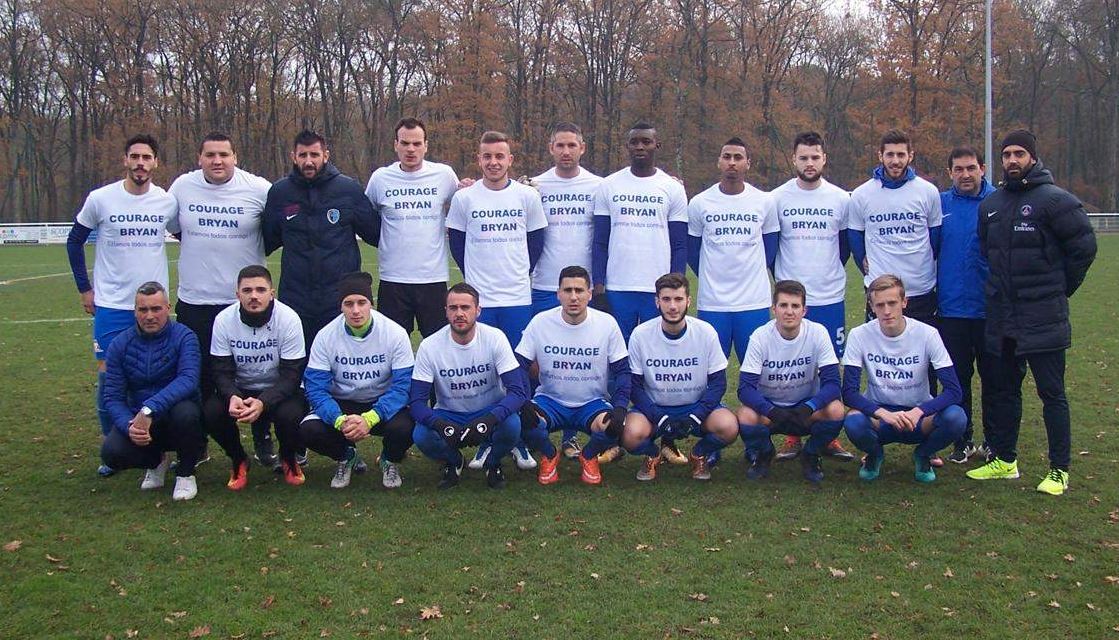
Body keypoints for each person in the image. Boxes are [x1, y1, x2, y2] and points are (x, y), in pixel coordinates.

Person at [967, 129, 1097, 495]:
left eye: (1019, 154)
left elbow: (1083, 250)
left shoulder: (1057, 201)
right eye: (1007, 154)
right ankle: (1005, 460)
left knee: (1051, 393)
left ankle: (1059, 470)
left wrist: (1059, 289)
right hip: (1003, 316)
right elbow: (986, 251)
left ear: (1033, 158)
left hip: (1042, 317)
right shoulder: (991, 205)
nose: (1011, 160)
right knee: (1003, 389)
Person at [67, 134, 178, 476]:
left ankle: (158, 446)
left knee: (159, 379)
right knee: (109, 381)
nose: (140, 163)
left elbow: (186, 236)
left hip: (155, 305)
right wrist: (86, 289)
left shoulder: (166, 202)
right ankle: (112, 446)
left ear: (155, 163)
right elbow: (74, 241)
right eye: (135, 157)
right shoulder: (101, 199)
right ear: (125, 160)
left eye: (147, 157)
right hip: (113, 306)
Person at [168, 132, 277, 466]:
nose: (217, 161)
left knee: (259, 373)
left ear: (235, 156)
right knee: (200, 377)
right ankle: (198, 444)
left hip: (245, 303)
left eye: (224, 154)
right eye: (210, 155)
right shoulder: (182, 187)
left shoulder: (259, 189)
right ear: (199, 158)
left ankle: (262, 436)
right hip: (196, 302)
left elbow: (273, 232)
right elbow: (175, 228)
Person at [446, 130, 546, 471]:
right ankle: (487, 440)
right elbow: (457, 244)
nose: (493, 162)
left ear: (510, 160)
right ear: (479, 159)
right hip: (481, 301)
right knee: (485, 371)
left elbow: (536, 242)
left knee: (517, 371)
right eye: (487, 156)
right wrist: (476, 278)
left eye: (499, 156)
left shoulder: (527, 197)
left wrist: (518, 273)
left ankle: (517, 441)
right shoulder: (465, 199)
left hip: (517, 297)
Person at [769, 131, 855, 462]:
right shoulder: (777, 198)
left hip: (830, 296)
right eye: (803, 157)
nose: (809, 163)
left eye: (815, 157)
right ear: (794, 159)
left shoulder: (840, 199)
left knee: (829, 367)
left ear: (824, 159)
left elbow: (846, 245)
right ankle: (792, 434)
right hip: (792, 301)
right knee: (794, 369)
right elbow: (772, 245)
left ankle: (828, 436)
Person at [841, 275, 966, 483]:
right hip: (880, 417)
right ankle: (875, 455)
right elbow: (849, 393)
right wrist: (883, 414)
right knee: (853, 421)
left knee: (956, 417)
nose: (887, 311)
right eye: (880, 305)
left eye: (892, 303)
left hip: (918, 416)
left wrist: (919, 411)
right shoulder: (859, 335)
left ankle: (923, 454)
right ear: (871, 306)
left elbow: (954, 391)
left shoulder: (928, 334)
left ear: (904, 302)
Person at [262, 130, 380, 350]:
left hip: (338, 298)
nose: (308, 161)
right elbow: (268, 239)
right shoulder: (280, 193)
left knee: (341, 360)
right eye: (303, 155)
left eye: (314, 155)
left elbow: (375, 233)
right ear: (293, 157)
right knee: (298, 361)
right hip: (296, 297)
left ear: (325, 155)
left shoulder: (348, 189)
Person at [298, 272, 415, 489]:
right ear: (340, 306)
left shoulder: (394, 333)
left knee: (410, 425)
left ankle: (389, 459)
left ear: (371, 304)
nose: (355, 310)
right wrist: (339, 420)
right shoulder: (325, 336)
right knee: (308, 430)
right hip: (343, 403)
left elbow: (403, 386)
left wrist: (370, 418)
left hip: (381, 402)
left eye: (362, 303)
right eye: (348, 303)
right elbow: (315, 388)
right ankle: (346, 455)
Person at [530, 122, 605, 460]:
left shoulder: (599, 185)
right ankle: (535, 425)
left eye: (571, 145)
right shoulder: (534, 186)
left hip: (584, 287)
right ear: (550, 148)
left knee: (581, 360)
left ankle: (573, 436)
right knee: (541, 361)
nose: (565, 152)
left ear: (582, 147)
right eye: (559, 145)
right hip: (544, 284)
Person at [516, 266, 630, 485]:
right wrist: (523, 401)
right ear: (558, 293)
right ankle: (550, 455)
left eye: (579, 290)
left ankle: (588, 456)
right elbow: (518, 366)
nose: (573, 297)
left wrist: (621, 406)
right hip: (550, 401)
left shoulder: (607, 323)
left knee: (617, 426)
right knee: (520, 420)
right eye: (567, 290)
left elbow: (623, 370)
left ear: (589, 293)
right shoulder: (540, 322)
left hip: (592, 403)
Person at [620, 273, 739, 481]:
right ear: (657, 302)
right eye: (666, 299)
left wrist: (697, 414)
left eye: (678, 299)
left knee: (728, 426)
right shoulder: (641, 334)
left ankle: (699, 453)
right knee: (630, 435)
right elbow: (635, 387)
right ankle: (652, 454)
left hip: (695, 406)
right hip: (655, 409)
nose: (673, 306)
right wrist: (658, 416)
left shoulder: (705, 332)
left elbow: (719, 382)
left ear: (688, 301)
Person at [409, 283, 528, 490]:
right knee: (421, 435)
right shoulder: (429, 346)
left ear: (478, 310)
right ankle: (454, 461)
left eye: (465, 308)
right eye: (453, 308)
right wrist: (440, 425)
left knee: (512, 425)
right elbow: (416, 403)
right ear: (445, 312)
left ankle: (493, 463)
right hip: (450, 413)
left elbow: (518, 392)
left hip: (489, 409)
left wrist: (491, 419)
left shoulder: (495, 338)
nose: (459, 314)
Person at [100, 282, 205, 501]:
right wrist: (129, 426)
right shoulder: (120, 344)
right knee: (112, 453)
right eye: (143, 309)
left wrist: (149, 409)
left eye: (156, 309)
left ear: (168, 307)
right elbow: (112, 396)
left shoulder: (185, 337)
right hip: (140, 420)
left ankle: (186, 473)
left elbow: (188, 379)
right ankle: (156, 461)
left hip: (174, 415)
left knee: (187, 413)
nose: (149, 316)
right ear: (135, 311)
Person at [205, 265, 308, 489]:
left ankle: (289, 458)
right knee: (211, 412)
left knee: (291, 414)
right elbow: (220, 370)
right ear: (237, 294)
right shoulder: (224, 320)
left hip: (279, 387)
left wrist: (264, 401)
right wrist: (232, 395)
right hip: (241, 389)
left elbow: (292, 374)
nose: (254, 296)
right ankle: (238, 459)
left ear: (272, 294)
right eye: (247, 290)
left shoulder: (289, 319)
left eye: (261, 290)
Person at [736, 281, 846, 483]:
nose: (789, 312)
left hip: (805, 409)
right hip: (771, 410)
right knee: (745, 415)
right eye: (783, 305)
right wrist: (770, 410)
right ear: (774, 309)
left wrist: (810, 407)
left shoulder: (818, 332)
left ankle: (811, 454)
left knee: (836, 409)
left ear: (804, 310)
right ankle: (764, 453)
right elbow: (745, 389)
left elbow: (832, 383)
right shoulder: (760, 337)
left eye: (795, 306)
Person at [592, 122, 688, 342]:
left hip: (657, 288)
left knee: (655, 348)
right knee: (618, 353)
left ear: (657, 145)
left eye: (646, 141)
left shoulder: (672, 188)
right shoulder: (609, 185)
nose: (640, 147)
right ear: (627, 146)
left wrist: (676, 285)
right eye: (634, 142)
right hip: (618, 286)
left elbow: (680, 244)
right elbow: (599, 242)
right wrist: (599, 286)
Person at [364, 117, 460, 338]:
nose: (411, 149)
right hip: (393, 279)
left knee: (439, 343)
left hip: (432, 279)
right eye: (405, 143)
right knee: (391, 345)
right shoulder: (380, 178)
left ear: (426, 145)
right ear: (395, 145)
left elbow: (464, 203)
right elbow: (366, 217)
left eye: (417, 143)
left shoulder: (444, 175)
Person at [686, 136, 778, 363]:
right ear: (719, 162)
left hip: (753, 301)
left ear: (748, 163)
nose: (732, 163)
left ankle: (754, 401)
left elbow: (771, 247)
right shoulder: (700, 202)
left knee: (757, 367)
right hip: (713, 302)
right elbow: (692, 251)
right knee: (710, 368)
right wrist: (713, 273)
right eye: (727, 157)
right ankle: (713, 401)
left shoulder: (764, 201)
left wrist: (749, 272)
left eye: (738, 157)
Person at [936, 147, 996, 464]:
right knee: (958, 381)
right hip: (951, 310)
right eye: (958, 169)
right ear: (950, 173)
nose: (965, 174)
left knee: (994, 381)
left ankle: (994, 442)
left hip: (990, 310)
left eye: (971, 168)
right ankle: (963, 440)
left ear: (982, 169)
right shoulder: (941, 204)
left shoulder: (998, 202)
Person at [847, 129, 942, 325]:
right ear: (880, 155)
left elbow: (935, 238)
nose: (895, 161)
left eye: (901, 154)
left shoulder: (928, 192)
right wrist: (866, 265)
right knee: (879, 351)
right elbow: (855, 239)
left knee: (921, 353)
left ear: (910, 156)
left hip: (920, 289)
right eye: (890, 154)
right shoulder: (862, 194)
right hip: (880, 290)